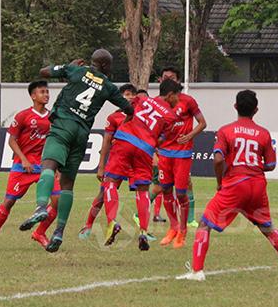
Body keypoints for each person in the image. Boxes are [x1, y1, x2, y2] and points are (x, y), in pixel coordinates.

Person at [177, 90, 278, 281]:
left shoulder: (226, 130)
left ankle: (197, 271)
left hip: (235, 184)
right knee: (267, 227)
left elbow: (218, 159)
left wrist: (220, 182)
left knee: (204, 224)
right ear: (256, 110)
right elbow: (270, 165)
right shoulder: (264, 133)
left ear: (235, 107)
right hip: (257, 186)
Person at [18, 49, 133, 253]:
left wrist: (68, 66)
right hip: (81, 134)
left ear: (93, 62)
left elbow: (43, 72)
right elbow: (129, 109)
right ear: (105, 66)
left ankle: (41, 207)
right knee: (68, 185)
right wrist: (124, 123)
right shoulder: (108, 86)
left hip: (63, 125)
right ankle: (59, 231)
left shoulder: (77, 70)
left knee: (48, 165)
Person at [100, 79, 181, 250]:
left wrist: (124, 129)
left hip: (125, 140)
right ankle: (143, 231)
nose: (178, 101)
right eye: (177, 97)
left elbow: (128, 112)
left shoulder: (142, 99)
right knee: (143, 189)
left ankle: (111, 222)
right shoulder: (172, 116)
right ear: (170, 95)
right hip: (145, 148)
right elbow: (160, 139)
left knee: (111, 182)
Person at [0, 81, 61, 253]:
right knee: (9, 202)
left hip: (45, 166)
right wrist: (24, 159)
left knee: (58, 202)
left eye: (47, 92)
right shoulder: (23, 116)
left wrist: (57, 167)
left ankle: (39, 233)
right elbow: (11, 140)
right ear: (33, 96)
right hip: (22, 166)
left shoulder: (53, 117)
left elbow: (54, 142)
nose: (46, 95)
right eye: (42, 92)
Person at [78, 84, 139, 240]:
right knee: (103, 193)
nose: (131, 97)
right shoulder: (114, 117)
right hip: (118, 161)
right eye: (127, 94)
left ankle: (144, 232)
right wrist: (101, 166)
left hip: (137, 162)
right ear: (119, 98)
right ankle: (88, 226)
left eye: (133, 94)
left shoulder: (142, 116)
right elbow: (106, 142)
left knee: (143, 193)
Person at [157, 67, 207, 248]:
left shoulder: (187, 101)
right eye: (164, 77)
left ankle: (183, 231)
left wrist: (190, 135)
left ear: (177, 80)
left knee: (181, 193)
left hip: (183, 154)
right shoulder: (158, 103)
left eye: (171, 77)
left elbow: (202, 123)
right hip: (164, 153)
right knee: (165, 191)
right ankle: (173, 227)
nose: (167, 79)